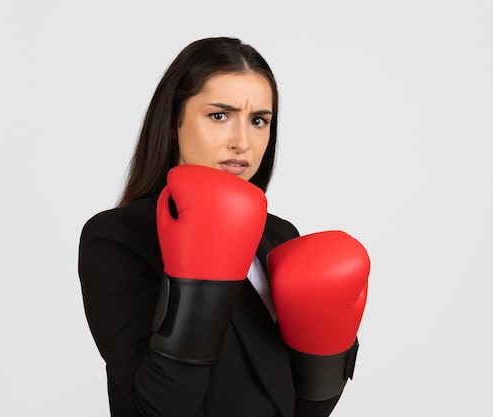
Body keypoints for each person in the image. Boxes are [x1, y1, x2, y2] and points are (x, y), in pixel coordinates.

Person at [78, 37, 369, 417]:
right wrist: (200, 283)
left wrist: (328, 361)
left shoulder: (280, 237)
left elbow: (300, 408)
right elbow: (158, 409)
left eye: (259, 120)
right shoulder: (118, 238)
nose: (242, 142)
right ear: (172, 122)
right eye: (219, 115)